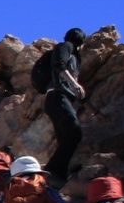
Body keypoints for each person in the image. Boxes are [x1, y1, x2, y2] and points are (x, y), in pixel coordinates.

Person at [33, 30, 86, 184]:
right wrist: (75, 84)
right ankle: (52, 171)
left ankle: (59, 175)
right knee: (74, 132)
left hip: (56, 99)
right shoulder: (66, 47)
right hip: (57, 96)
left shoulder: (72, 53)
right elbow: (59, 65)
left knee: (65, 138)